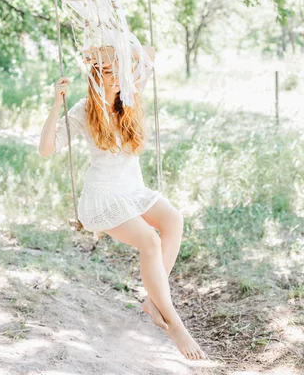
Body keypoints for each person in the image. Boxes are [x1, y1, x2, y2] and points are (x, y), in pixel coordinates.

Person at [39, 45, 207, 361]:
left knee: (174, 220)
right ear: (93, 77)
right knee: (149, 241)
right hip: (104, 197)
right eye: (105, 71)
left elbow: (150, 53)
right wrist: (55, 103)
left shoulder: (128, 96)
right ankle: (174, 323)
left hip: (132, 190)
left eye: (117, 69)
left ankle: (155, 302)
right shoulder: (84, 110)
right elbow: (47, 149)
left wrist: (114, 45)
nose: (114, 75)